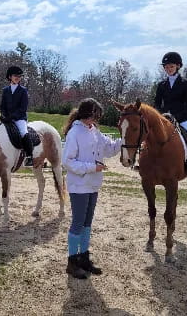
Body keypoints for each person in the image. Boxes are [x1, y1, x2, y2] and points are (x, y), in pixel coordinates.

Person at [62, 98, 122, 279]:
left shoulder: (94, 130)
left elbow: (109, 149)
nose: (97, 120)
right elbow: (68, 162)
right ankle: (72, 262)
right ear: (88, 114)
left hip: (93, 184)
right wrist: (91, 167)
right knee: (78, 222)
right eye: (95, 116)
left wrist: (125, 138)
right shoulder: (75, 132)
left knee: (87, 223)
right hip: (79, 185)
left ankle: (84, 258)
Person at [154, 51, 187, 177]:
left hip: (181, 118)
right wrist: (161, 115)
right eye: (166, 67)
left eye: (171, 66)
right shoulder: (161, 85)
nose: (168, 69)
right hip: (164, 119)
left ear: (178, 66)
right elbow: (157, 103)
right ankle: (146, 162)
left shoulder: (185, 83)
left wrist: (178, 116)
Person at [0, 66, 33, 166]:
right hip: (7, 118)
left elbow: (23, 108)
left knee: (23, 132)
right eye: (15, 76)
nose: (18, 78)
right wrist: (3, 115)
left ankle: (29, 156)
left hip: (19, 118)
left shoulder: (23, 90)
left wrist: (12, 117)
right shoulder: (5, 90)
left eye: (19, 76)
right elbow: (2, 106)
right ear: (10, 77)